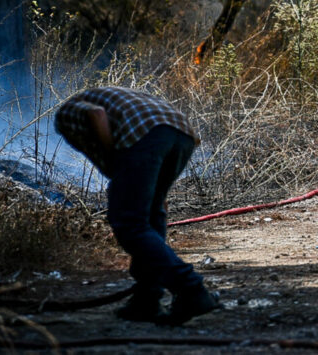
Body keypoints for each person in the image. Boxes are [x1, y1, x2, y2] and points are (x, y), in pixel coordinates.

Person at [54, 86, 220, 325]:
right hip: (182, 135)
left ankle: (191, 289)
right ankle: (147, 301)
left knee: (129, 224)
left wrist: (116, 158)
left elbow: (97, 115)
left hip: (146, 136)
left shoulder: (66, 113)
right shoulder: (119, 96)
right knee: (152, 217)